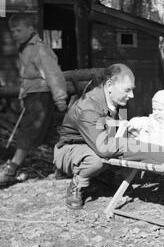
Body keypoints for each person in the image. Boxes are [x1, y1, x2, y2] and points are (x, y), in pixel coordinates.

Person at [53, 63, 136, 210]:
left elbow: (120, 128)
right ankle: (78, 184)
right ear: (110, 85)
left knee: (124, 145)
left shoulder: (120, 101)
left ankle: (101, 176)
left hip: (96, 142)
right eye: (127, 90)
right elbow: (103, 148)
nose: (132, 95)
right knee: (99, 160)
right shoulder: (88, 107)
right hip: (71, 148)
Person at [0, 12, 68, 188]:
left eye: (18, 29)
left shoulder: (39, 49)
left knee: (28, 130)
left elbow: (54, 75)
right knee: (50, 133)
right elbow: (27, 77)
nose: (15, 33)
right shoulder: (25, 48)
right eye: (12, 30)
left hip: (41, 97)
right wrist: (24, 95)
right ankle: (61, 168)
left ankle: (11, 169)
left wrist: (60, 98)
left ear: (31, 29)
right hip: (33, 96)